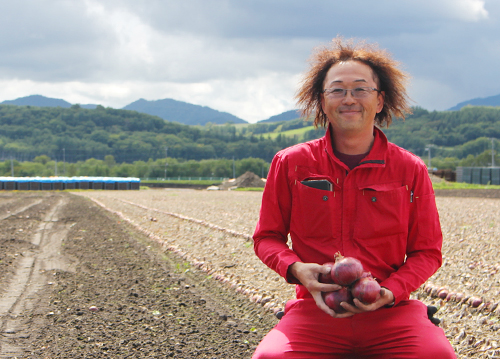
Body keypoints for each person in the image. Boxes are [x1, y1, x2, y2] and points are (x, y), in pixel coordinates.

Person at [252, 37, 456, 358]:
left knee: (438, 355)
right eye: (337, 90)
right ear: (321, 101)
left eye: (361, 89)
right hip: (316, 307)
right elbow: (267, 237)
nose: (349, 99)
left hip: (391, 311)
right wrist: (296, 269)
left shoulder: (410, 169)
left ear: (380, 100)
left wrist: (390, 292)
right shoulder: (290, 163)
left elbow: (427, 252)